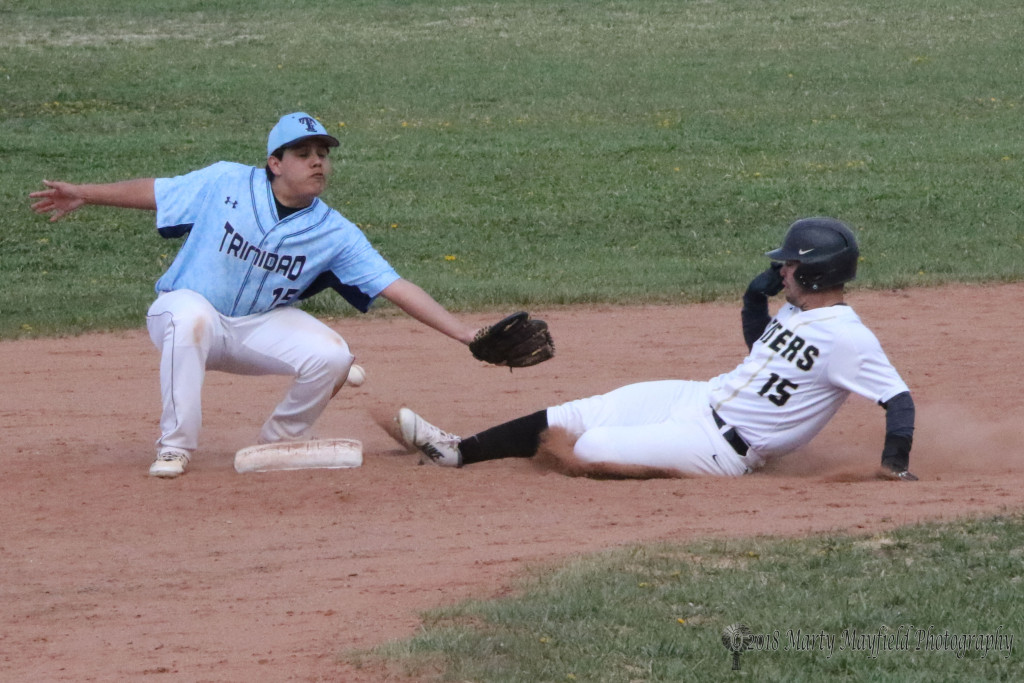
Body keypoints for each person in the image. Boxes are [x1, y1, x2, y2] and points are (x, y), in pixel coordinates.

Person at [30, 112, 481, 479]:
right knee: (192, 317)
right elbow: (157, 192)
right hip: (181, 311)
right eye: (303, 153)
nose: (317, 162)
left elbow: (395, 286)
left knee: (334, 356)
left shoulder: (335, 232)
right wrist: (85, 194)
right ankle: (175, 448)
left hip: (255, 327)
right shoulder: (225, 182)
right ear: (275, 162)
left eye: (322, 154)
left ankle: (278, 444)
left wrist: (464, 333)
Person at [397, 217, 918, 481]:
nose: (780, 269)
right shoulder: (800, 313)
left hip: (723, 451)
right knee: (578, 413)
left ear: (813, 270)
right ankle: (459, 451)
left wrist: (893, 466)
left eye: (786, 265)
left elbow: (898, 401)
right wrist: (755, 298)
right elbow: (766, 354)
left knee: (592, 447)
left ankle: (618, 450)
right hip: (696, 399)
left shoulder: (850, 338)